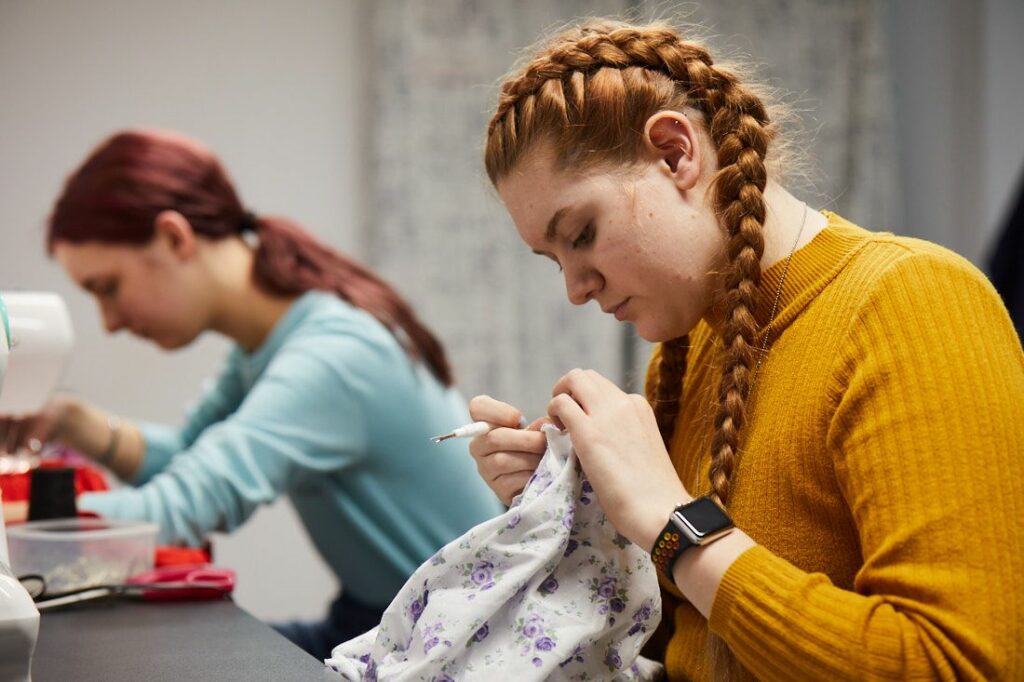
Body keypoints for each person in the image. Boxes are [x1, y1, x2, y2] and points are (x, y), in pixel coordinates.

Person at [467, 19, 1024, 681]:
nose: (575, 289)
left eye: (582, 233)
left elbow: (958, 666)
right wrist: (572, 507)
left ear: (676, 153)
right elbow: (681, 642)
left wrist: (673, 524)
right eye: (550, 259)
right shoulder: (688, 354)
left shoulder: (915, 302)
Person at [0, 129, 503, 660]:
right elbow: (188, 464)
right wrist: (77, 424)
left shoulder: (333, 355)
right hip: (382, 620)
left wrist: (13, 519)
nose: (109, 322)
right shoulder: (267, 345)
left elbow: (179, 507)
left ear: (174, 238)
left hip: (453, 648)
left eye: (109, 287)